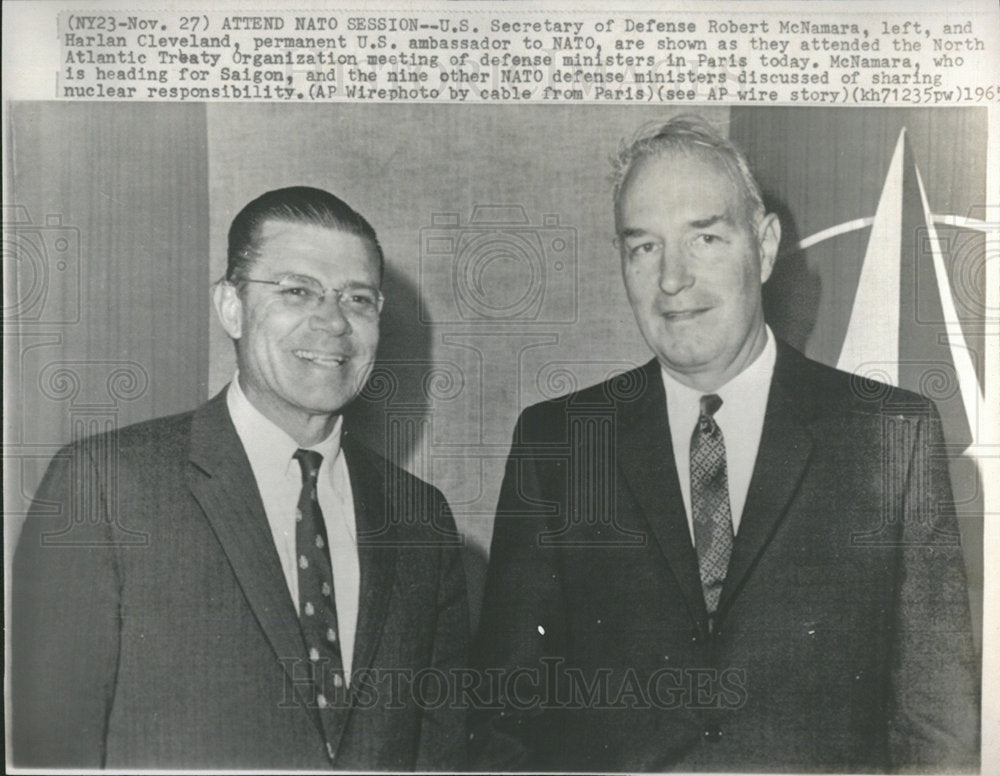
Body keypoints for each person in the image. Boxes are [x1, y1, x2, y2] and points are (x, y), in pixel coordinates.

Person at [472, 116, 979, 772]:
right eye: (644, 247)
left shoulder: (890, 435)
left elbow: (937, 729)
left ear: (764, 247)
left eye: (705, 238)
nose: (672, 280)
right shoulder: (560, 444)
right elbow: (505, 720)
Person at [12, 186, 469, 770]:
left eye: (358, 299)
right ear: (231, 306)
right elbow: (52, 753)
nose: (333, 322)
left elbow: (440, 753)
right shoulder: (104, 488)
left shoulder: (421, 518)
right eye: (297, 290)